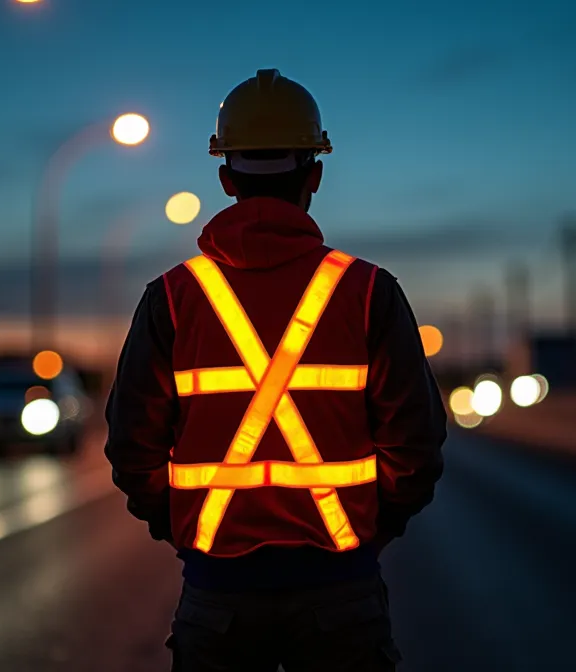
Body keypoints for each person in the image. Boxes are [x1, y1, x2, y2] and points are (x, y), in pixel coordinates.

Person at [104, 68, 447, 672]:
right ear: (315, 173)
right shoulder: (367, 291)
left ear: (224, 177)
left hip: (218, 597)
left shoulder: (173, 297)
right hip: (343, 596)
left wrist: (185, 530)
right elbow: (416, 443)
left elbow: (133, 444)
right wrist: (367, 530)